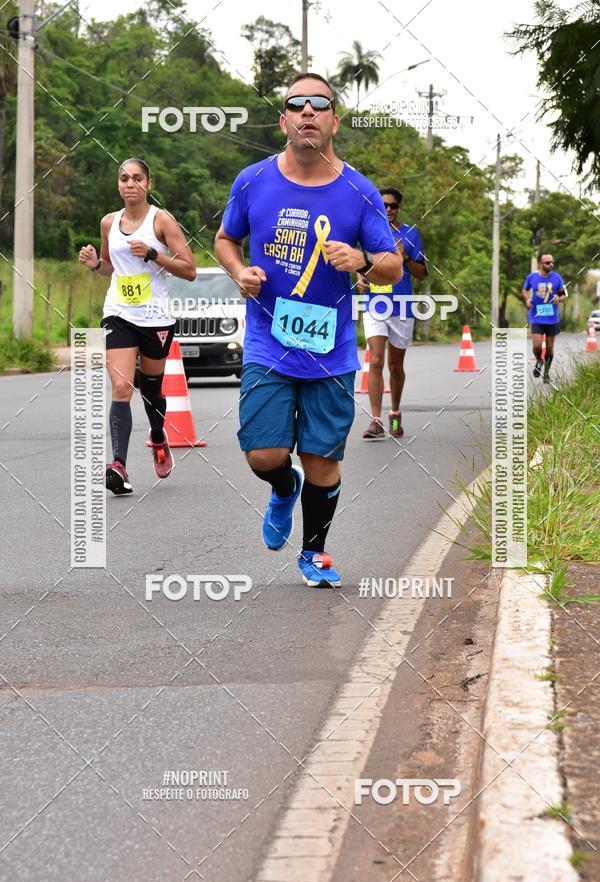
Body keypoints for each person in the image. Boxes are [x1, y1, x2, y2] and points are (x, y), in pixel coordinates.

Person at [215, 73, 402, 588]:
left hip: (331, 348)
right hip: (268, 341)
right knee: (264, 453)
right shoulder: (253, 180)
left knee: (324, 457)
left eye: (320, 105)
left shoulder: (358, 192)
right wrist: (239, 271)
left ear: (334, 120)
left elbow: (392, 265)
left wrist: (362, 258)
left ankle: (314, 552)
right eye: (297, 105)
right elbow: (226, 238)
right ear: (284, 121)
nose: (308, 113)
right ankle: (281, 487)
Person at [78, 158, 196, 495]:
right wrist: (94, 264)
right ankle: (119, 465)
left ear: (148, 183)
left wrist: (152, 254)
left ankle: (159, 437)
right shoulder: (108, 222)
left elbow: (189, 269)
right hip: (119, 312)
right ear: (118, 184)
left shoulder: (162, 221)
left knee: (152, 389)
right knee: (121, 387)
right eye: (124, 178)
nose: (130, 184)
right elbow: (110, 268)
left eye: (137, 178)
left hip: (156, 317)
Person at [359, 187, 427, 438]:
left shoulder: (411, 234)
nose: (388, 209)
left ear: (399, 207)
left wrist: (406, 257)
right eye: (384, 205)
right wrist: (360, 276)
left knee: (395, 366)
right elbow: (360, 262)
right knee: (375, 361)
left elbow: (421, 274)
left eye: (393, 205)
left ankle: (395, 415)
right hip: (375, 304)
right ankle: (375, 421)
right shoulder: (368, 232)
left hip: (401, 306)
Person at [522, 252, 567, 383]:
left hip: (552, 318)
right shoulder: (532, 277)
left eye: (552, 262)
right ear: (541, 264)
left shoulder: (557, 278)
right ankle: (539, 360)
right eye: (548, 262)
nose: (551, 264)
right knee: (536, 346)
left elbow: (564, 295)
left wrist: (559, 297)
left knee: (549, 347)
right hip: (536, 317)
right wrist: (527, 299)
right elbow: (525, 290)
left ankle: (546, 372)